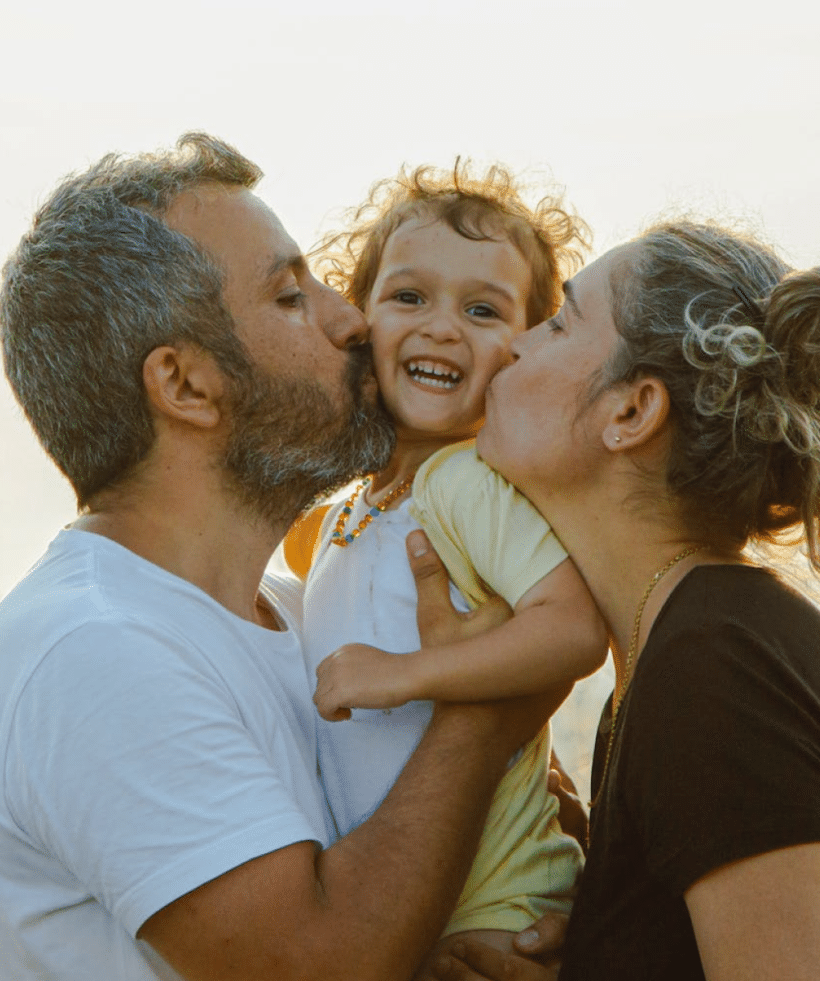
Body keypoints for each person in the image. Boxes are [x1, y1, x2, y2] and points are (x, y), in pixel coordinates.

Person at [0, 133, 566, 981]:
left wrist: (541, 911)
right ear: (188, 386)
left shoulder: (303, 609)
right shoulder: (94, 649)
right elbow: (319, 966)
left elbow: (405, 852)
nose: (350, 318)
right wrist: (482, 713)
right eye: (288, 294)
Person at [434, 218, 820, 980]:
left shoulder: (716, 672)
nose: (517, 343)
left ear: (632, 413)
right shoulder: (681, 649)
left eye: (561, 321)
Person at [279, 163, 607, 963]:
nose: (441, 327)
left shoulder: (464, 483)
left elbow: (571, 631)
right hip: (396, 899)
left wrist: (402, 674)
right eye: (409, 297)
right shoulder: (356, 506)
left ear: (526, 347)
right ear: (361, 319)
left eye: (483, 309)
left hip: (497, 902)